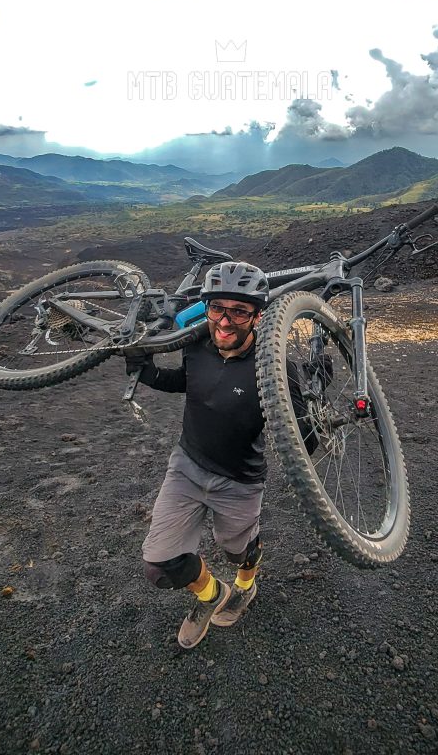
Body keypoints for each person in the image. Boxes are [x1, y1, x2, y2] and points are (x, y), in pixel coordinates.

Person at [125, 261, 326, 649]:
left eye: (239, 311)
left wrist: (314, 407)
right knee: (160, 566)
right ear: (206, 308)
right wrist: (146, 371)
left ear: (258, 316)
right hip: (187, 468)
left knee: (238, 552)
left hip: (239, 481)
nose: (224, 321)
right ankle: (212, 596)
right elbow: (186, 381)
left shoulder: (275, 367)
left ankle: (245, 586)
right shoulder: (197, 343)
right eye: (217, 308)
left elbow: (306, 443)